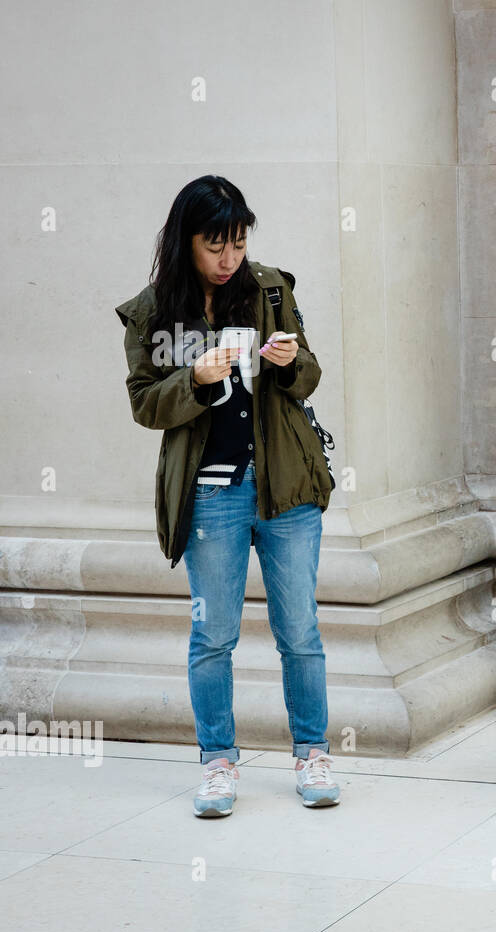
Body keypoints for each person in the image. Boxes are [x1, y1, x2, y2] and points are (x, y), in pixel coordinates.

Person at [117, 175, 339, 817]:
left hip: (285, 489)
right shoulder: (154, 312)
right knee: (213, 635)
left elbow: (310, 376)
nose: (229, 258)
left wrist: (289, 362)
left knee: (300, 629)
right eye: (216, 245)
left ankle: (313, 751)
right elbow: (143, 404)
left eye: (238, 243)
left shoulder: (271, 289)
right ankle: (218, 763)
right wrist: (195, 378)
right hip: (210, 495)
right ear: (185, 240)